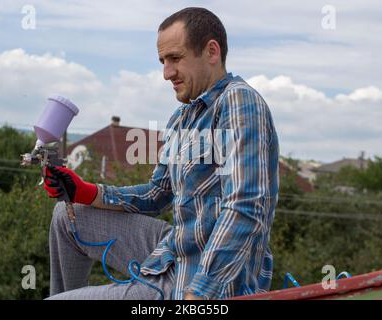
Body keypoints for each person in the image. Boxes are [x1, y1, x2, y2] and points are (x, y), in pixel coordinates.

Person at [44, 7, 279, 300]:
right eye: (163, 61)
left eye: (175, 59)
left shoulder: (239, 102)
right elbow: (157, 194)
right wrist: (87, 192)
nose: (167, 73)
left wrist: (200, 294)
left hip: (203, 281)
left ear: (211, 51)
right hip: (173, 251)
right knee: (68, 216)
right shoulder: (182, 118)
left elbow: (246, 207)